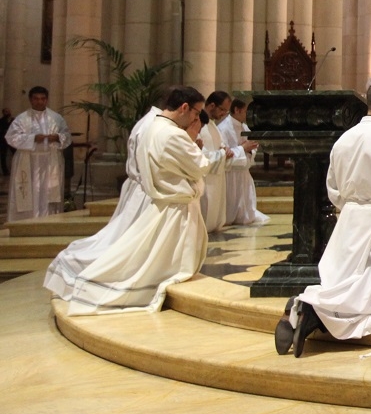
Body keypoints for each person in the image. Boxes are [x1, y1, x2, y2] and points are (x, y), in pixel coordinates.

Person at [276, 80, 371, 357]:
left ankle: (308, 310)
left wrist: (350, 205)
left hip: (350, 217)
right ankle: (312, 307)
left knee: (345, 277)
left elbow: (333, 186)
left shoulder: (345, 138)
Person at [65, 87, 216, 315]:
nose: (197, 119)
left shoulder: (153, 126)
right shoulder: (173, 134)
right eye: (196, 113)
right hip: (175, 206)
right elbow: (200, 166)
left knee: (148, 254)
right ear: (184, 107)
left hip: (166, 202)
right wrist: (193, 141)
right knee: (152, 261)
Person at [45, 101, 162, 299]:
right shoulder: (155, 126)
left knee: (123, 238)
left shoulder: (150, 122)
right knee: (124, 241)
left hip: (142, 189)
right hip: (145, 191)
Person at [6, 86, 72, 222]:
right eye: (36, 99)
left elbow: (67, 136)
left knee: (48, 193)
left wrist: (58, 137)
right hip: (28, 161)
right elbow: (10, 137)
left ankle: (49, 221)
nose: (39, 102)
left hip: (50, 162)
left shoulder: (56, 118)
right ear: (30, 100)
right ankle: (25, 223)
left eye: (42, 99)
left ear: (47, 100)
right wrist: (33, 138)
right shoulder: (21, 119)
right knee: (30, 192)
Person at [219, 98, 267, 227]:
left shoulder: (245, 126)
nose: (248, 115)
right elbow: (224, 154)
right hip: (231, 173)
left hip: (243, 170)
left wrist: (249, 150)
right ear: (237, 110)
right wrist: (243, 149)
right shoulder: (223, 128)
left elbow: (252, 146)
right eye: (246, 111)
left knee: (246, 210)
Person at [197, 93, 237, 232]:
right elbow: (200, 155)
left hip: (217, 177)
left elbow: (220, 146)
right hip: (206, 179)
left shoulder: (213, 126)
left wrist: (226, 151)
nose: (223, 114)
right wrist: (221, 154)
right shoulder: (198, 125)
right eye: (222, 110)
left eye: (226, 112)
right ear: (212, 105)